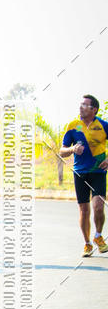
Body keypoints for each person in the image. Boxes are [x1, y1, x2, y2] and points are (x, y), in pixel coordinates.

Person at [59, 95, 108, 256]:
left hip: (98, 172)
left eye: (85, 105)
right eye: (81, 104)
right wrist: (72, 150)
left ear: (94, 109)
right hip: (80, 173)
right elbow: (62, 151)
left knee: (99, 206)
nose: (81, 107)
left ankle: (98, 236)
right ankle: (87, 243)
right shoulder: (73, 126)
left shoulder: (103, 125)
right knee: (84, 210)